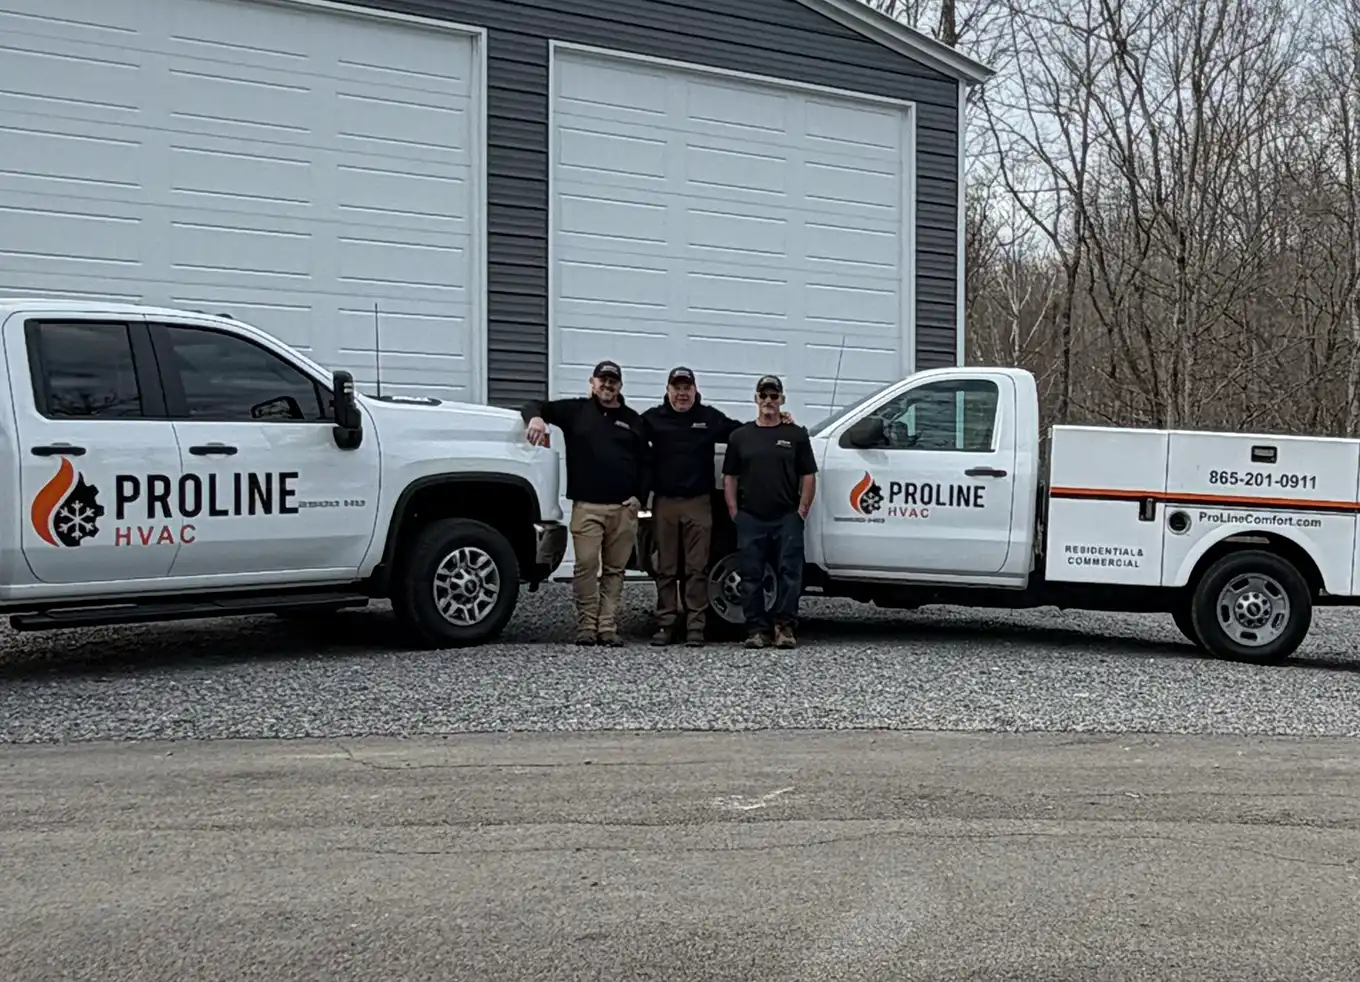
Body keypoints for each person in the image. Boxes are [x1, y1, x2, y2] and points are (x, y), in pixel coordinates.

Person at [521, 360, 651, 646]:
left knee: (616, 570)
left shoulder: (633, 420)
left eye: (613, 380)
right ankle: (586, 625)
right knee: (586, 566)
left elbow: (646, 463)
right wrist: (535, 419)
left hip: (623, 509)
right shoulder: (575, 411)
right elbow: (534, 404)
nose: (607, 385)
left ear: (620, 385)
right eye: (602, 380)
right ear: (592, 383)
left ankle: (607, 626)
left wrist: (639, 497)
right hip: (587, 507)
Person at [640, 366, 746, 647]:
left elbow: (741, 433)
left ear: (695, 390)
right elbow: (625, 437)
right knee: (666, 568)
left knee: (697, 568)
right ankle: (665, 625)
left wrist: (775, 424)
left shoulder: (709, 418)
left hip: (699, 503)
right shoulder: (653, 419)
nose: (682, 393)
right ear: (668, 390)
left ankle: (695, 627)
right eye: (677, 388)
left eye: (687, 388)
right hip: (664, 503)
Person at [721, 374, 818, 649]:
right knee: (750, 573)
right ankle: (756, 630)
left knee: (790, 573)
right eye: (763, 396)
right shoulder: (740, 436)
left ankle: (784, 627)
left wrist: (801, 510)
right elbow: (730, 476)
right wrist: (734, 511)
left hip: (787, 516)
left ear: (782, 400)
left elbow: (809, 475)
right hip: (751, 517)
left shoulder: (796, 435)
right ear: (755, 399)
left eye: (774, 396)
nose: (768, 401)